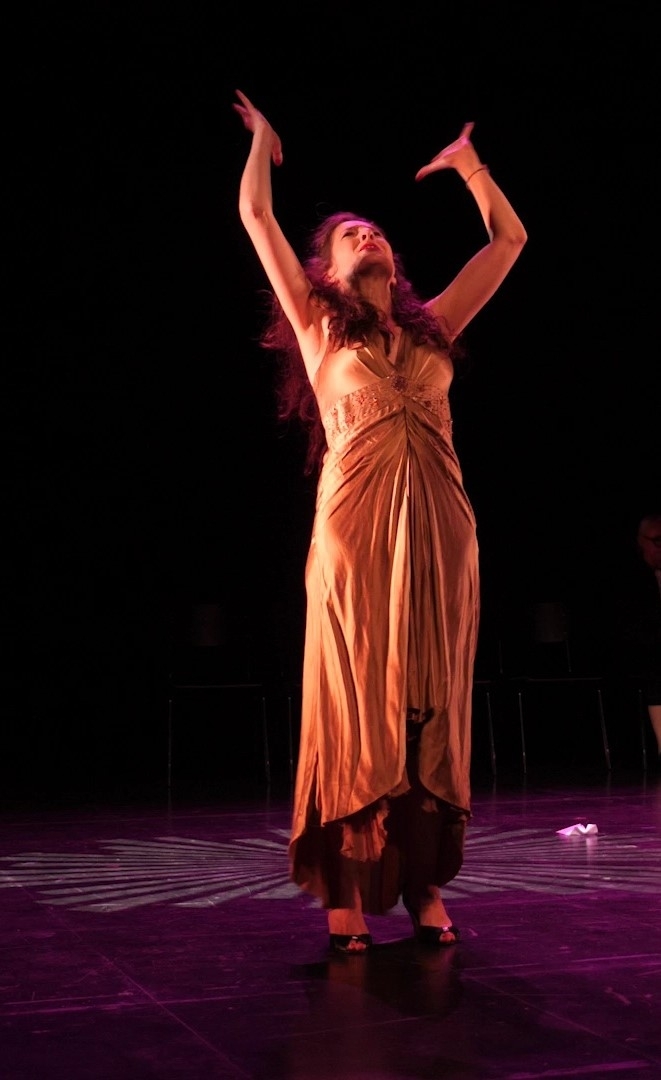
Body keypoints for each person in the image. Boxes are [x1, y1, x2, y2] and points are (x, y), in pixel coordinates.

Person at [233, 89, 527, 952]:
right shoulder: (319, 327)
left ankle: (424, 882)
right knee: (356, 701)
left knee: (428, 702)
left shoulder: (434, 329)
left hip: (441, 527)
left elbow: (508, 242)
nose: (367, 236)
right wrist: (263, 140)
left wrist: (469, 168)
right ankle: (344, 891)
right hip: (355, 533)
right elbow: (256, 215)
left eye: (376, 232)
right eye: (349, 234)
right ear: (324, 268)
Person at [619, 513, 661, 759]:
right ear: (639, 542)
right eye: (656, 541)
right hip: (643, 653)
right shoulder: (629, 580)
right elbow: (630, 629)